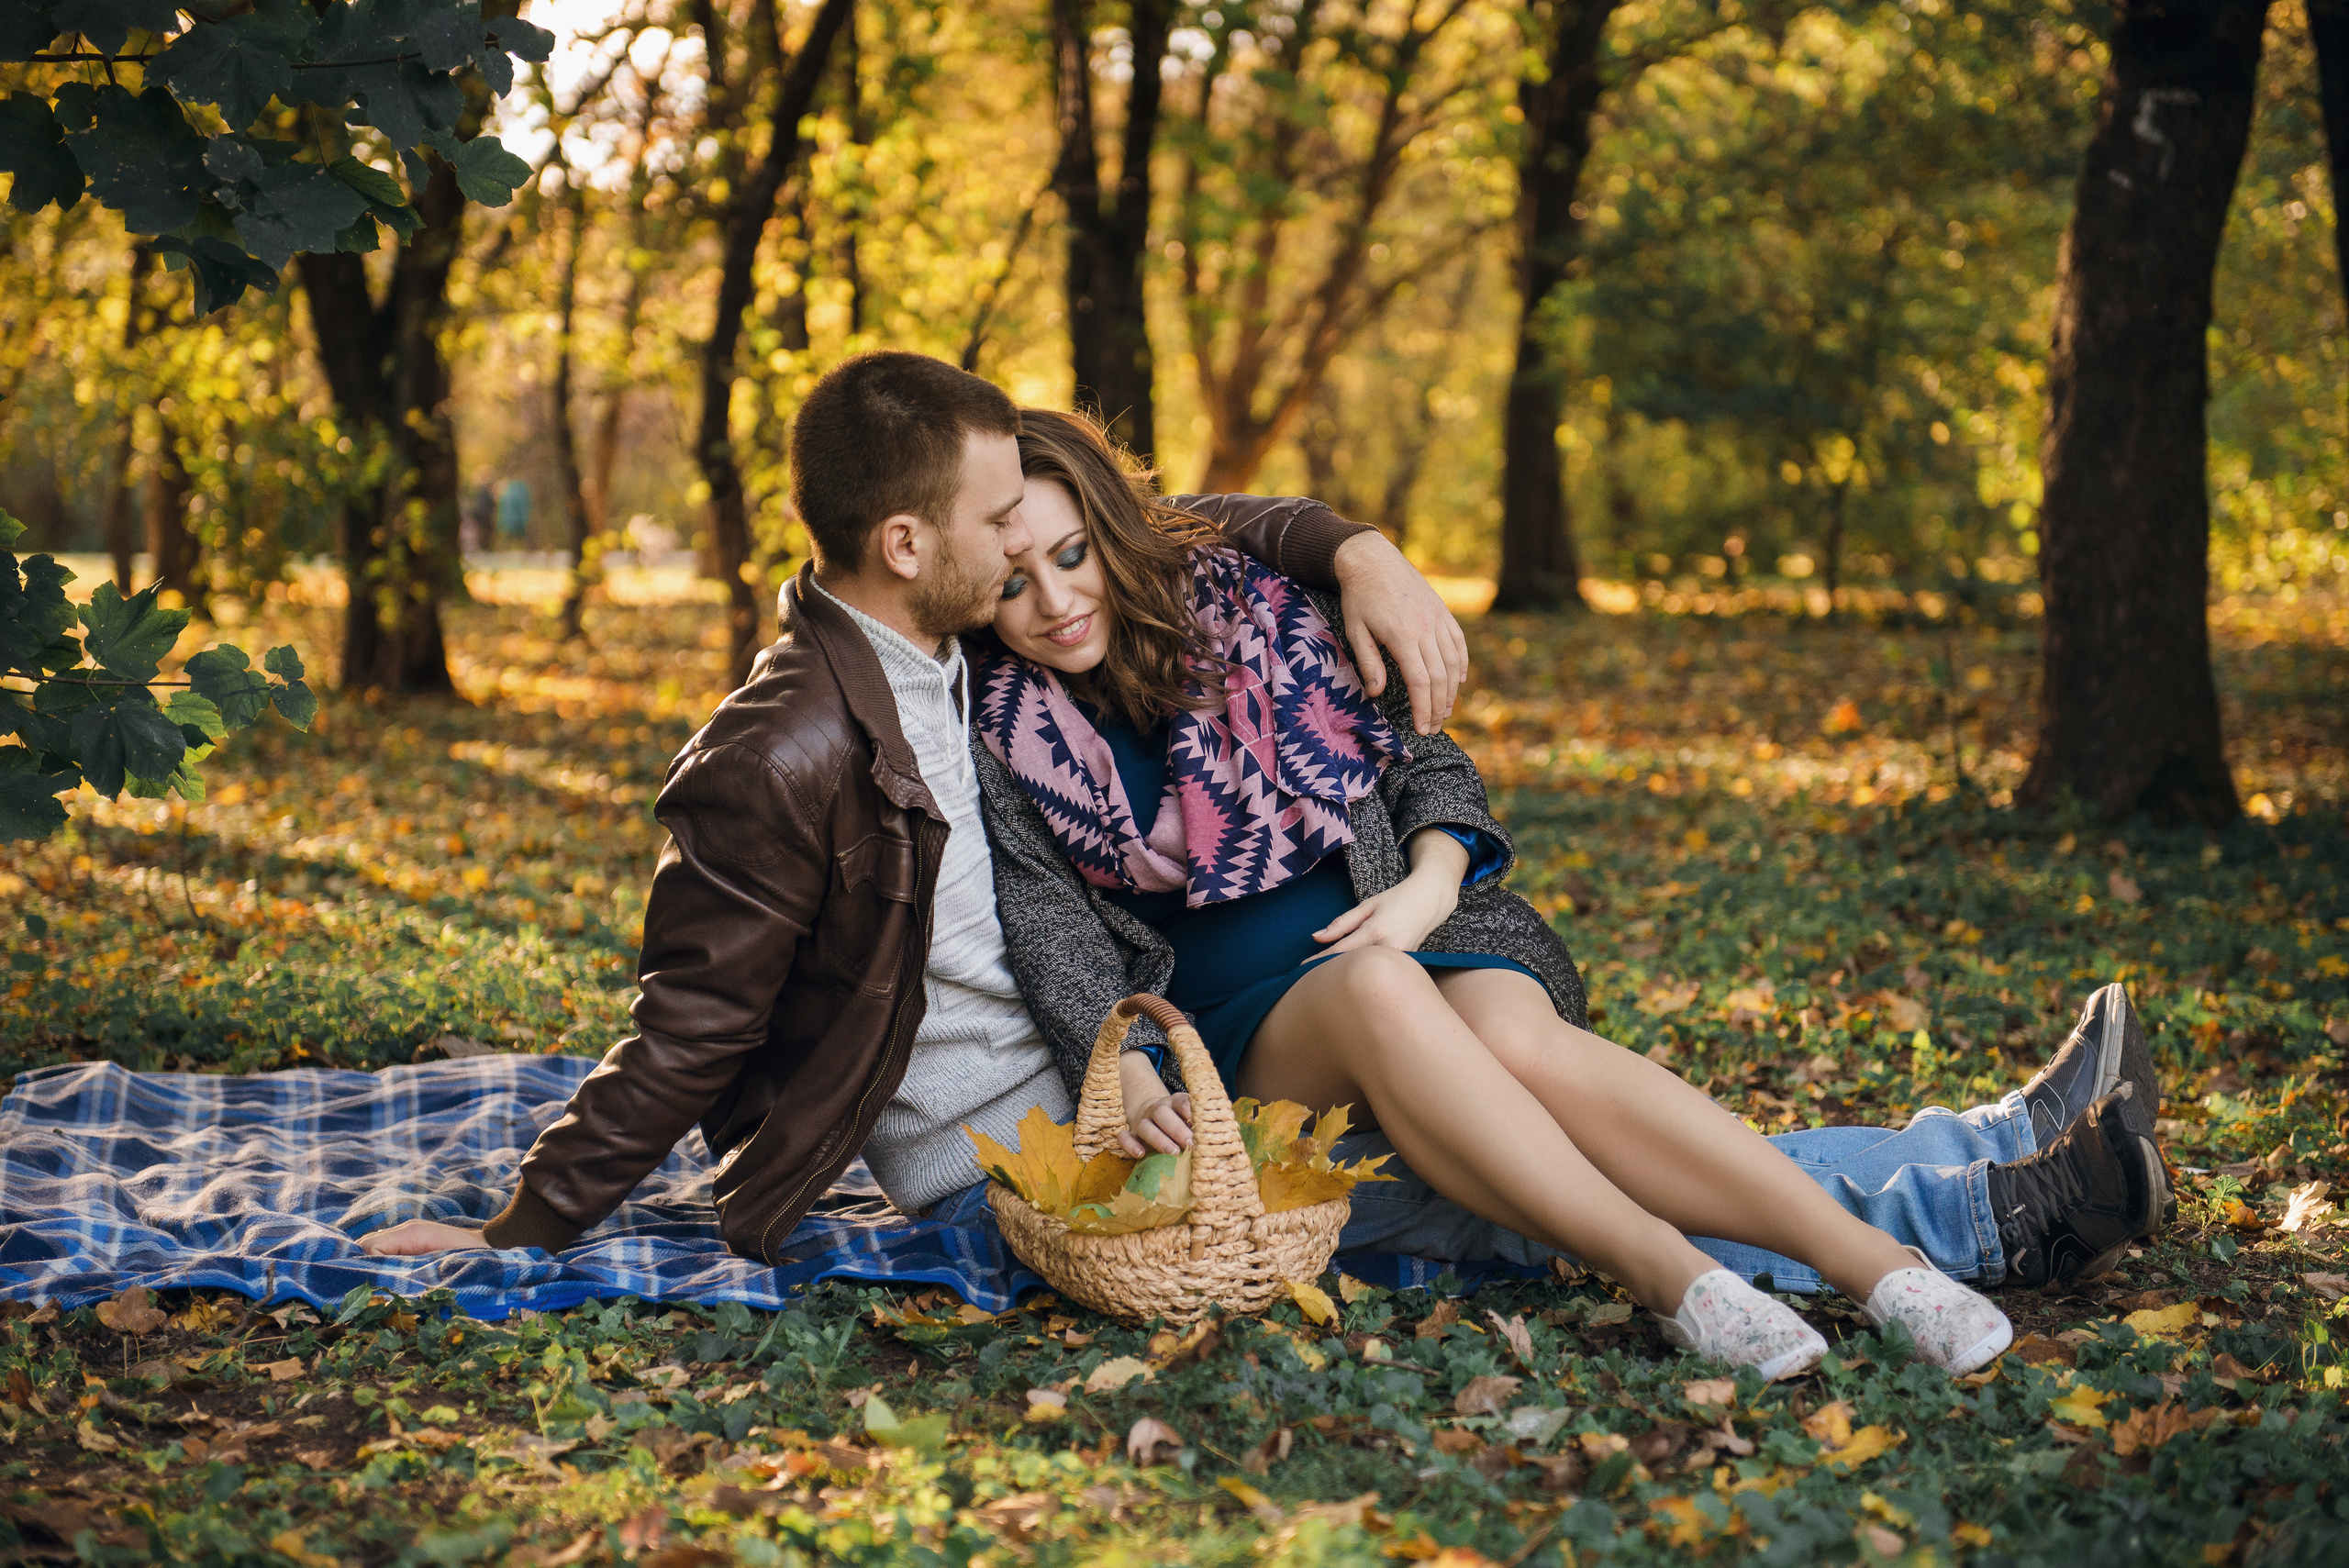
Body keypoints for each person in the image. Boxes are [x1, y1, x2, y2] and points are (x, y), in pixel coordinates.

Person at [967, 408, 2174, 1380]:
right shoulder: (1000, 728)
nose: (1056, 598)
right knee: (1378, 992)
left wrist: (1431, 883)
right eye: (1013, 580)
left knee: (1516, 1046)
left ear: (1113, 533)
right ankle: (1677, 1276)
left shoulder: (1257, 606)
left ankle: (1881, 1268)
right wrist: (1109, 1057)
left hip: (1423, 933)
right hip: (1253, 1037)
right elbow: (1052, 929)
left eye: (1071, 554)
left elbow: (1426, 760)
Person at [358, 351, 1467, 1266]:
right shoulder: (782, 749)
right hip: (1019, 1167)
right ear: (907, 543)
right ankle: (1620, 1244)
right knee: (1455, 1205)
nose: (1020, 548)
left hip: (1128, 1082)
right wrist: (521, 1227)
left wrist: (1349, 547)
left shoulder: (939, 651)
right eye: (995, 525)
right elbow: (688, 1024)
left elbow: (1139, 524)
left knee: (1475, 1108)